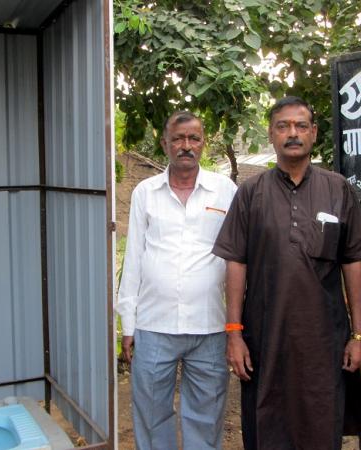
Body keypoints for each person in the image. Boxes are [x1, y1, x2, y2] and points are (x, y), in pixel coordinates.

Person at [212, 96, 361, 449]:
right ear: (271, 134)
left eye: (301, 126)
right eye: (283, 126)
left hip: (324, 341)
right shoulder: (251, 193)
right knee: (265, 425)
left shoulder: (338, 190)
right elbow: (235, 262)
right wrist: (234, 334)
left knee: (320, 424)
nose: (293, 134)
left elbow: (353, 262)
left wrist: (360, 336)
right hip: (264, 338)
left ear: (314, 133)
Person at [116, 111, 237, 450]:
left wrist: (236, 327)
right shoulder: (145, 192)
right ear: (165, 143)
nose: (186, 146)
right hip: (154, 325)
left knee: (207, 416)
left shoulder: (224, 190)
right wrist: (129, 323)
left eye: (194, 138)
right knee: (152, 415)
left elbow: (237, 259)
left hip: (210, 326)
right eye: (179, 139)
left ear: (204, 143)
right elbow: (134, 258)